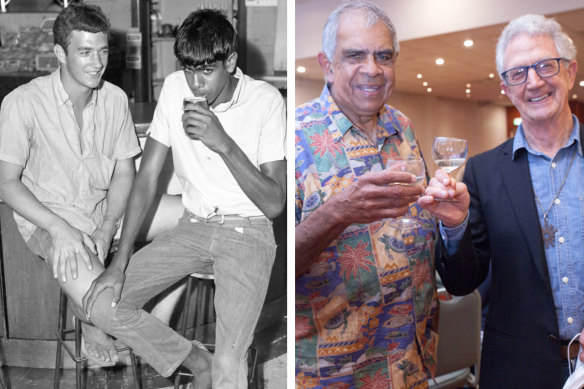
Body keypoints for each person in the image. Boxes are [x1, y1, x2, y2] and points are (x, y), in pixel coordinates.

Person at [82, 9, 286, 388]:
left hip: (248, 233)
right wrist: (119, 261)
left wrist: (222, 142)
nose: (196, 82)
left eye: (206, 71)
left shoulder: (266, 101)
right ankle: (194, 360)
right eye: (189, 69)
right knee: (100, 305)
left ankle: (216, 368)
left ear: (231, 62)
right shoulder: (176, 87)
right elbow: (146, 178)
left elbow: (274, 204)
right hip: (193, 226)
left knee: (230, 363)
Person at [295, 2, 465, 387]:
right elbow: (272, 270)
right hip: (334, 376)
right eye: (355, 55)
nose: (372, 69)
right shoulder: (294, 136)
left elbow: (417, 236)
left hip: (413, 368)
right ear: (327, 64)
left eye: (383, 56)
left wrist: (450, 224)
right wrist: (337, 212)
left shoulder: (401, 127)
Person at [420, 13, 584, 389]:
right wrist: (453, 225)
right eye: (518, 73)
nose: (534, 81)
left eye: (546, 65)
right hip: (517, 372)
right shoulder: (482, 172)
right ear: (506, 88)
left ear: (570, 72)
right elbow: (462, 283)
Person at [0, 3, 140, 366]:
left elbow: (126, 172)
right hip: (51, 218)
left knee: (194, 217)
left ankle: (134, 321)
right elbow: (6, 184)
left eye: (103, 50)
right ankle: (94, 316)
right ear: (60, 53)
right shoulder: (22, 103)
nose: (97, 63)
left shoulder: (115, 99)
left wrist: (109, 226)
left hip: (104, 214)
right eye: (84, 52)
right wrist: (58, 228)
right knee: (108, 307)